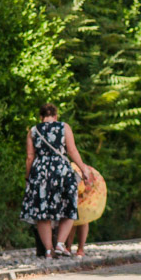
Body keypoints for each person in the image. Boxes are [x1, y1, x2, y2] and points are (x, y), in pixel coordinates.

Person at [20, 103, 85, 257]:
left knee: (42, 211)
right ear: (55, 116)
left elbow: (30, 157)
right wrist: (83, 168)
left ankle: (49, 251)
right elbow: (72, 150)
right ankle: (60, 243)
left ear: (41, 117)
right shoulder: (64, 127)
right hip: (61, 171)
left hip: (40, 173)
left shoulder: (33, 131)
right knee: (69, 205)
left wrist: (28, 177)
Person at [61, 164, 102, 257]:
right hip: (74, 182)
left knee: (82, 219)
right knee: (70, 219)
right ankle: (69, 247)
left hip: (82, 190)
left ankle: (79, 248)